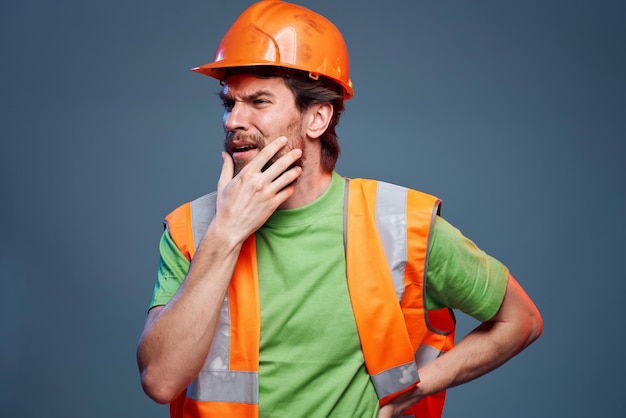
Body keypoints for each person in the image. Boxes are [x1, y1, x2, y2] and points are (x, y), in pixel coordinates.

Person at [136, 1, 543, 417]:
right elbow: (161, 380)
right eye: (229, 103)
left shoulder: (401, 224)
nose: (233, 120)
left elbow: (521, 320)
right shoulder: (192, 229)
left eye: (258, 101)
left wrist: (418, 388)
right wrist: (224, 234)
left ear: (317, 119)